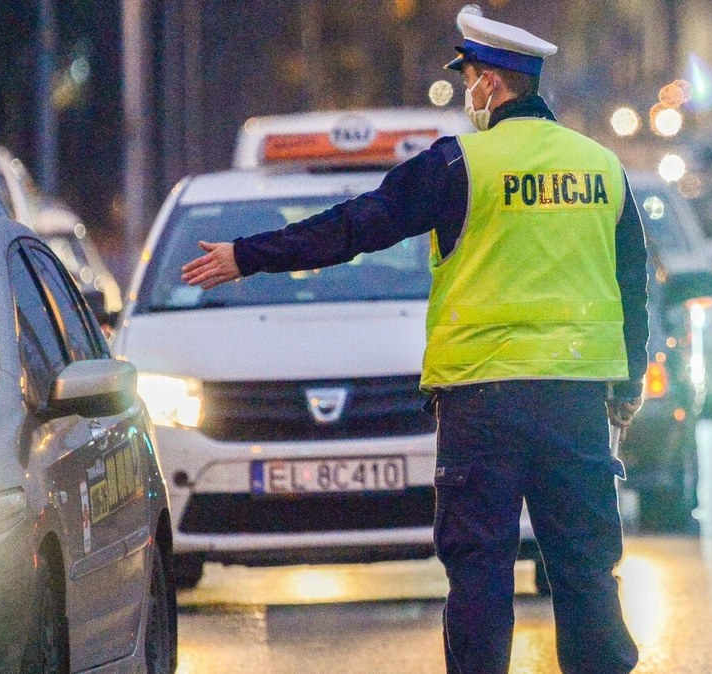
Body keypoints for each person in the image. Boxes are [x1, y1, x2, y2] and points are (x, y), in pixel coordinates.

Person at [180, 9, 648, 674]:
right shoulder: (601, 167)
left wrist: (247, 256)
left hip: (482, 404)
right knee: (585, 568)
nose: (466, 95)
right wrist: (626, 388)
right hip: (574, 403)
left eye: (469, 82)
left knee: (482, 570)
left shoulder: (460, 163)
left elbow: (354, 226)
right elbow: (634, 288)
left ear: (490, 84)